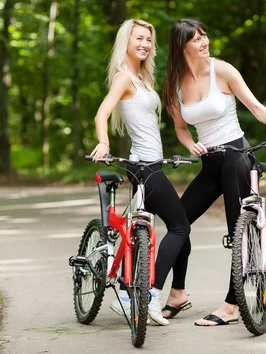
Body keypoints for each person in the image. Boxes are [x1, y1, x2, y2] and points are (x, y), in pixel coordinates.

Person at [162, 18, 266, 326]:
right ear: (181, 46)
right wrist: (190, 145)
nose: (204, 42)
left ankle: (232, 304)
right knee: (178, 223)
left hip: (237, 157)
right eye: (196, 39)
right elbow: (180, 128)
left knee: (235, 231)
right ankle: (177, 292)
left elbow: (255, 107)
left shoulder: (222, 70)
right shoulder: (175, 83)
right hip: (210, 164)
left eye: (205, 35)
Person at [90, 19, 193, 326]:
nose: (146, 44)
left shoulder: (142, 78)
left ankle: (125, 292)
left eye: (149, 39)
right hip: (145, 168)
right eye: (139, 38)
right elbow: (102, 113)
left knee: (141, 233)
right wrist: (104, 141)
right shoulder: (124, 78)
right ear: (127, 42)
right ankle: (151, 294)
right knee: (180, 228)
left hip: (149, 164)